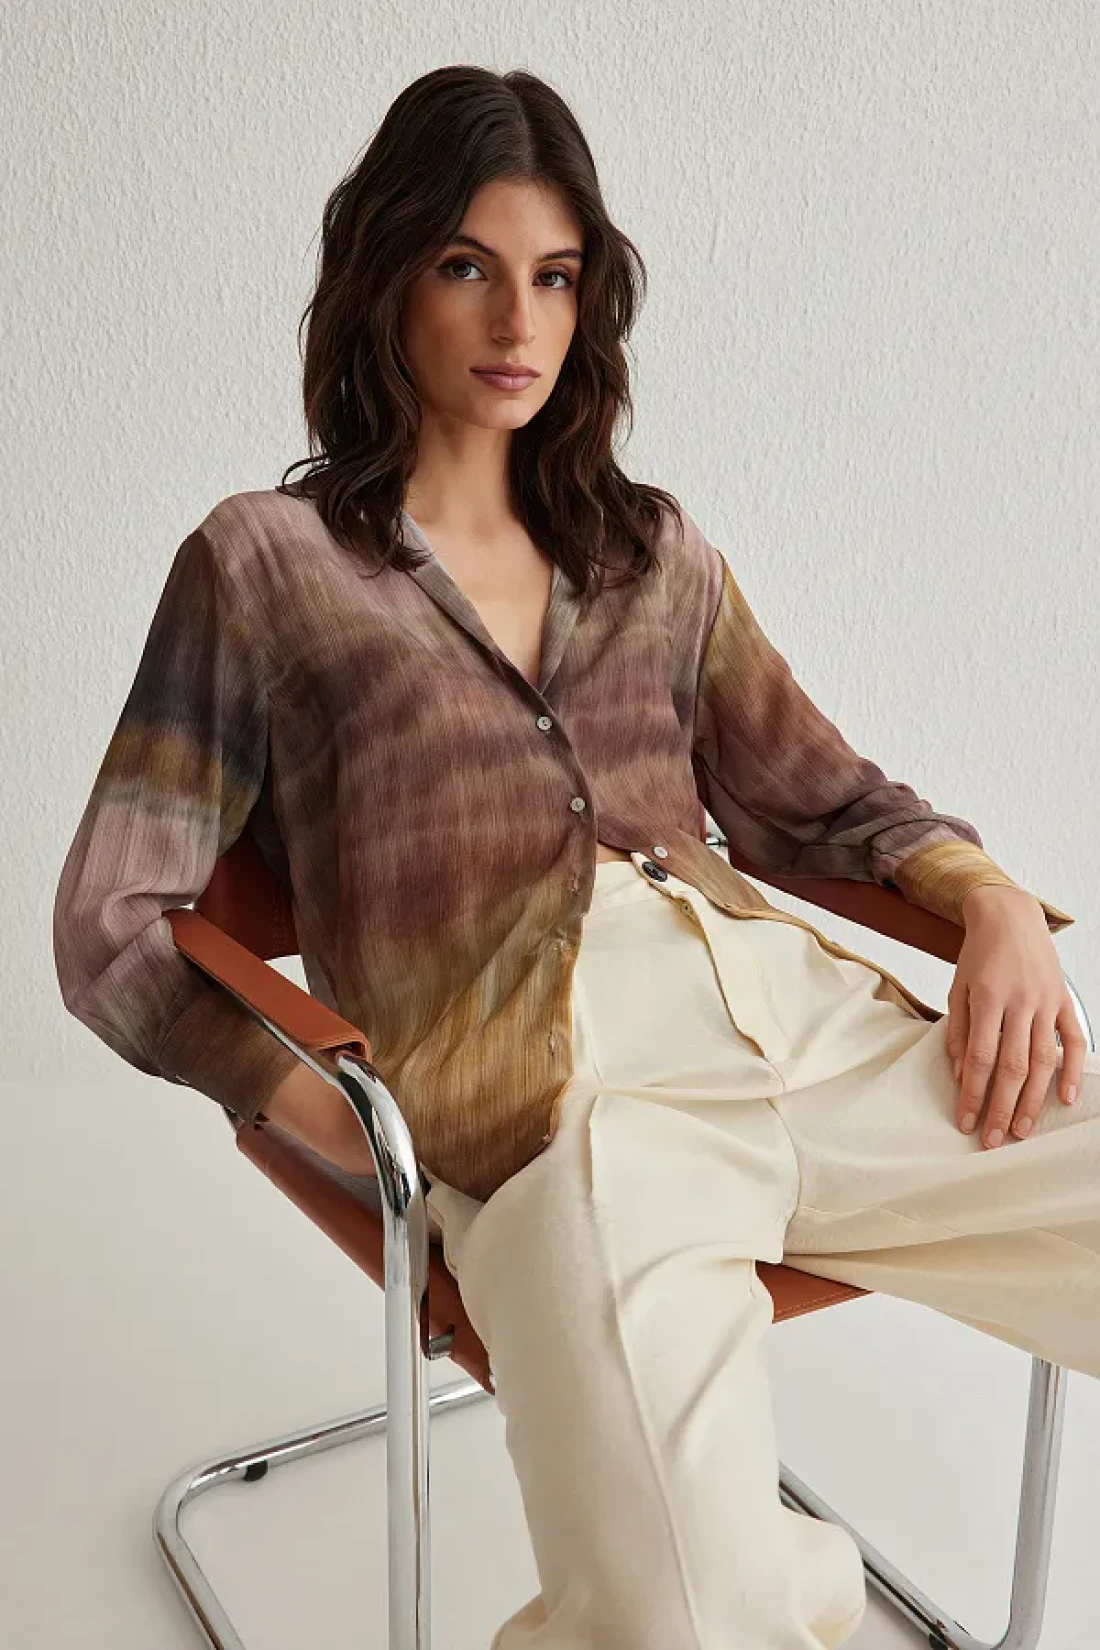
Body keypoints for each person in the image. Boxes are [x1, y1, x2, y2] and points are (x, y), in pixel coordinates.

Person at [53, 65, 1095, 1650]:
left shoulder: (652, 552)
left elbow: (826, 800)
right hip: (561, 1121)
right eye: (467, 265)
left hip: (799, 1037)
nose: (515, 320)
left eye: (554, 277)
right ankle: (774, 1579)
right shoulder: (266, 564)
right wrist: (346, 1118)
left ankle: (765, 1562)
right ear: (388, 276)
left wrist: (994, 901)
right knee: (684, 1617)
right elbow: (113, 921)